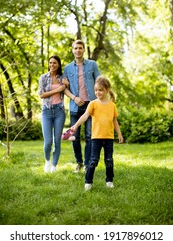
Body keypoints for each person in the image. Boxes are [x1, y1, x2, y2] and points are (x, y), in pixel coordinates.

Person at [71, 75, 124, 191]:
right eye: (96, 90)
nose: (97, 92)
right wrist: (75, 125)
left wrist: (119, 134)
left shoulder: (112, 105)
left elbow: (114, 121)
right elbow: (85, 116)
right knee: (93, 160)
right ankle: (88, 182)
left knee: (109, 160)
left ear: (107, 90)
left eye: (100, 90)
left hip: (109, 138)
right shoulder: (93, 104)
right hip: (96, 138)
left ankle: (109, 181)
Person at [63, 39, 100, 173]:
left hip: (91, 105)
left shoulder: (92, 65)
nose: (78, 50)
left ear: (84, 50)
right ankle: (79, 163)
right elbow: (64, 88)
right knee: (75, 136)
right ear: (72, 50)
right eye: (75, 48)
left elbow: (99, 82)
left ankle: (87, 164)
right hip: (75, 106)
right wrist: (74, 97)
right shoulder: (67, 68)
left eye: (80, 48)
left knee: (90, 136)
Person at [38, 55, 67, 173]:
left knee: (57, 141)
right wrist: (57, 90)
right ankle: (47, 161)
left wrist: (66, 86)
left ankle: (54, 165)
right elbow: (41, 94)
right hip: (47, 111)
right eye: (50, 63)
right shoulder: (43, 77)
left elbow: (67, 87)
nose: (52, 65)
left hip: (59, 111)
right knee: (48, 141)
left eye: (54, 63)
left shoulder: (62, 78)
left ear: (58, 64)